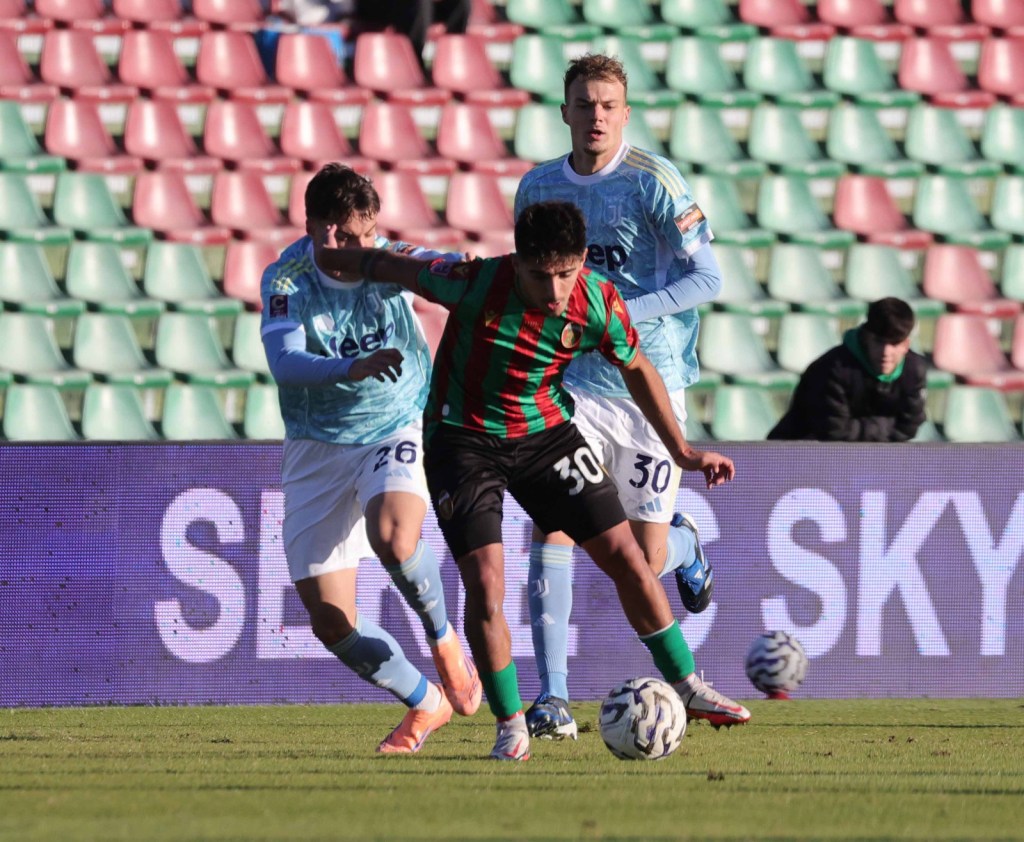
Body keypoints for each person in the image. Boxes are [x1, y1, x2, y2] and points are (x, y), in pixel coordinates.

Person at [313, 200, 750, 761]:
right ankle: (511, 726)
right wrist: (329, 257)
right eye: (540, 275)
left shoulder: (597, 301)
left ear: (583, 261)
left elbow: (638, 368)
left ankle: (689, 689)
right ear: (516, 261)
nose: (553, 290)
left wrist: (684, 451)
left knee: (629, 557)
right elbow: (389, 264)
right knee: (488, 586)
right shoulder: (471, 282)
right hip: (463, 441)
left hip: (546, 436)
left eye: (566, 273)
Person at [512, 53, 736, 739]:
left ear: (626, 113)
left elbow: (708, 278)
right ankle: (550, 697)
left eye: (608, 104)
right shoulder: (538, 188)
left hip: (647, 384)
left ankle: (685, 544)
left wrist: (627, 315)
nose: (596, 116)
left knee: (638, 562)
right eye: (584, 103)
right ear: (565, 111)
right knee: (550, 524)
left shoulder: (654, 183)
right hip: (569, 385)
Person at [259, 163, 480, 755]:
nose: (358, 251)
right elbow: (285, 363)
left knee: (394, 537)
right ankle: (425, 703)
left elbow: (447, 270)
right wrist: (348, 368)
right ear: (313, 227)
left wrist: (464, 273)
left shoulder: (384, 259)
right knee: (331, 623)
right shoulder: (286, 279)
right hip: (317, 446)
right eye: (342, 237)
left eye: (365, 236)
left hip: (395, 421)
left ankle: (443, 637)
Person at [768, 297, 927, 442]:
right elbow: (835, 432)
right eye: (879, 342)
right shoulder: (831, 369)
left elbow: (909, 426)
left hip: (869, 458)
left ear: (905, 345)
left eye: (894, 344)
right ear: (866, 337)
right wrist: (885, 426)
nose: (886, 353)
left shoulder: (914, 371)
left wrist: (867, 428)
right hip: (799, 458)